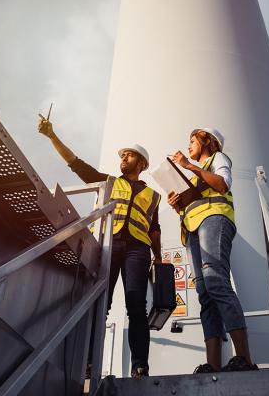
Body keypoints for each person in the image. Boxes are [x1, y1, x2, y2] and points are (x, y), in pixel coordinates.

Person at [38, 116, 162, 378]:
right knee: (100, 305)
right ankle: (88, 364)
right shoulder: (108, 181)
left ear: (141, 163)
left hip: (138, 250)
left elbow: (154, 229)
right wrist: (52, 136)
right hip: (108, 244)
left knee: (136, 306)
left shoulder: (153, 195)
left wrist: (159, 258)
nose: (124, 158)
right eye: (123, 155)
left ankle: (140, 366)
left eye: (129, 156)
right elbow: (76, 164)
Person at [167, 127, 257, 373]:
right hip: (192, 228)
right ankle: (213, 365)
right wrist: (177, 206)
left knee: (217, 282)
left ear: (207, 142)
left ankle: (245, 359)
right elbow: (194, 203)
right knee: (205, 295)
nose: (188, 146)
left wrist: (189, 165)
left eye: (192, 140)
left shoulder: (217, 159)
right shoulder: (195, 176)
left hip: (214, 220)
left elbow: (223, 184)